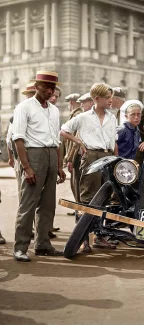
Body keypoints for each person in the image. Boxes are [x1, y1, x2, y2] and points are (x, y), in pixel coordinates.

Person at [12, 71, 66, 262]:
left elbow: (56, 140)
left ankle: (43, 244)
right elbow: (18, 138)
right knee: (28, 203)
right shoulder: (24, 107)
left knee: (48, 204)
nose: (49, 91)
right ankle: (20, 247)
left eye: (52, 87)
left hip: (51, 155)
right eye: (45, 87)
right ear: (36, 86)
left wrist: (59, 165)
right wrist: (26, 167)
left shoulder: (54, 110)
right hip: (33, 154)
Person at [60, 83, 117, 249]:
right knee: (87, 199)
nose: (110, 100)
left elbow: (114, 141)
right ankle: (83, 238)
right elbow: (64, 130)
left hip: (108, 157)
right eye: (107, 97)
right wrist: (79, 142)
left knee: (104, 198)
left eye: (111, 97)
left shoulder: (112, 118)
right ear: (97, 99)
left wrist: (115, 159)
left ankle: (99, 237)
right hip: (91, 157)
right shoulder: (84, 117)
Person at [65, 93, 93, 204]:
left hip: (81, 156)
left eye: (83, 103)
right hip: (81, 155)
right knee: (77, 185)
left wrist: (70, 158)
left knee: (78, 185)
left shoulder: (81, 116)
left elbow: (76, 141)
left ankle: (80, 211)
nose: (81, 105)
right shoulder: (82, 115)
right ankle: (80, 210)